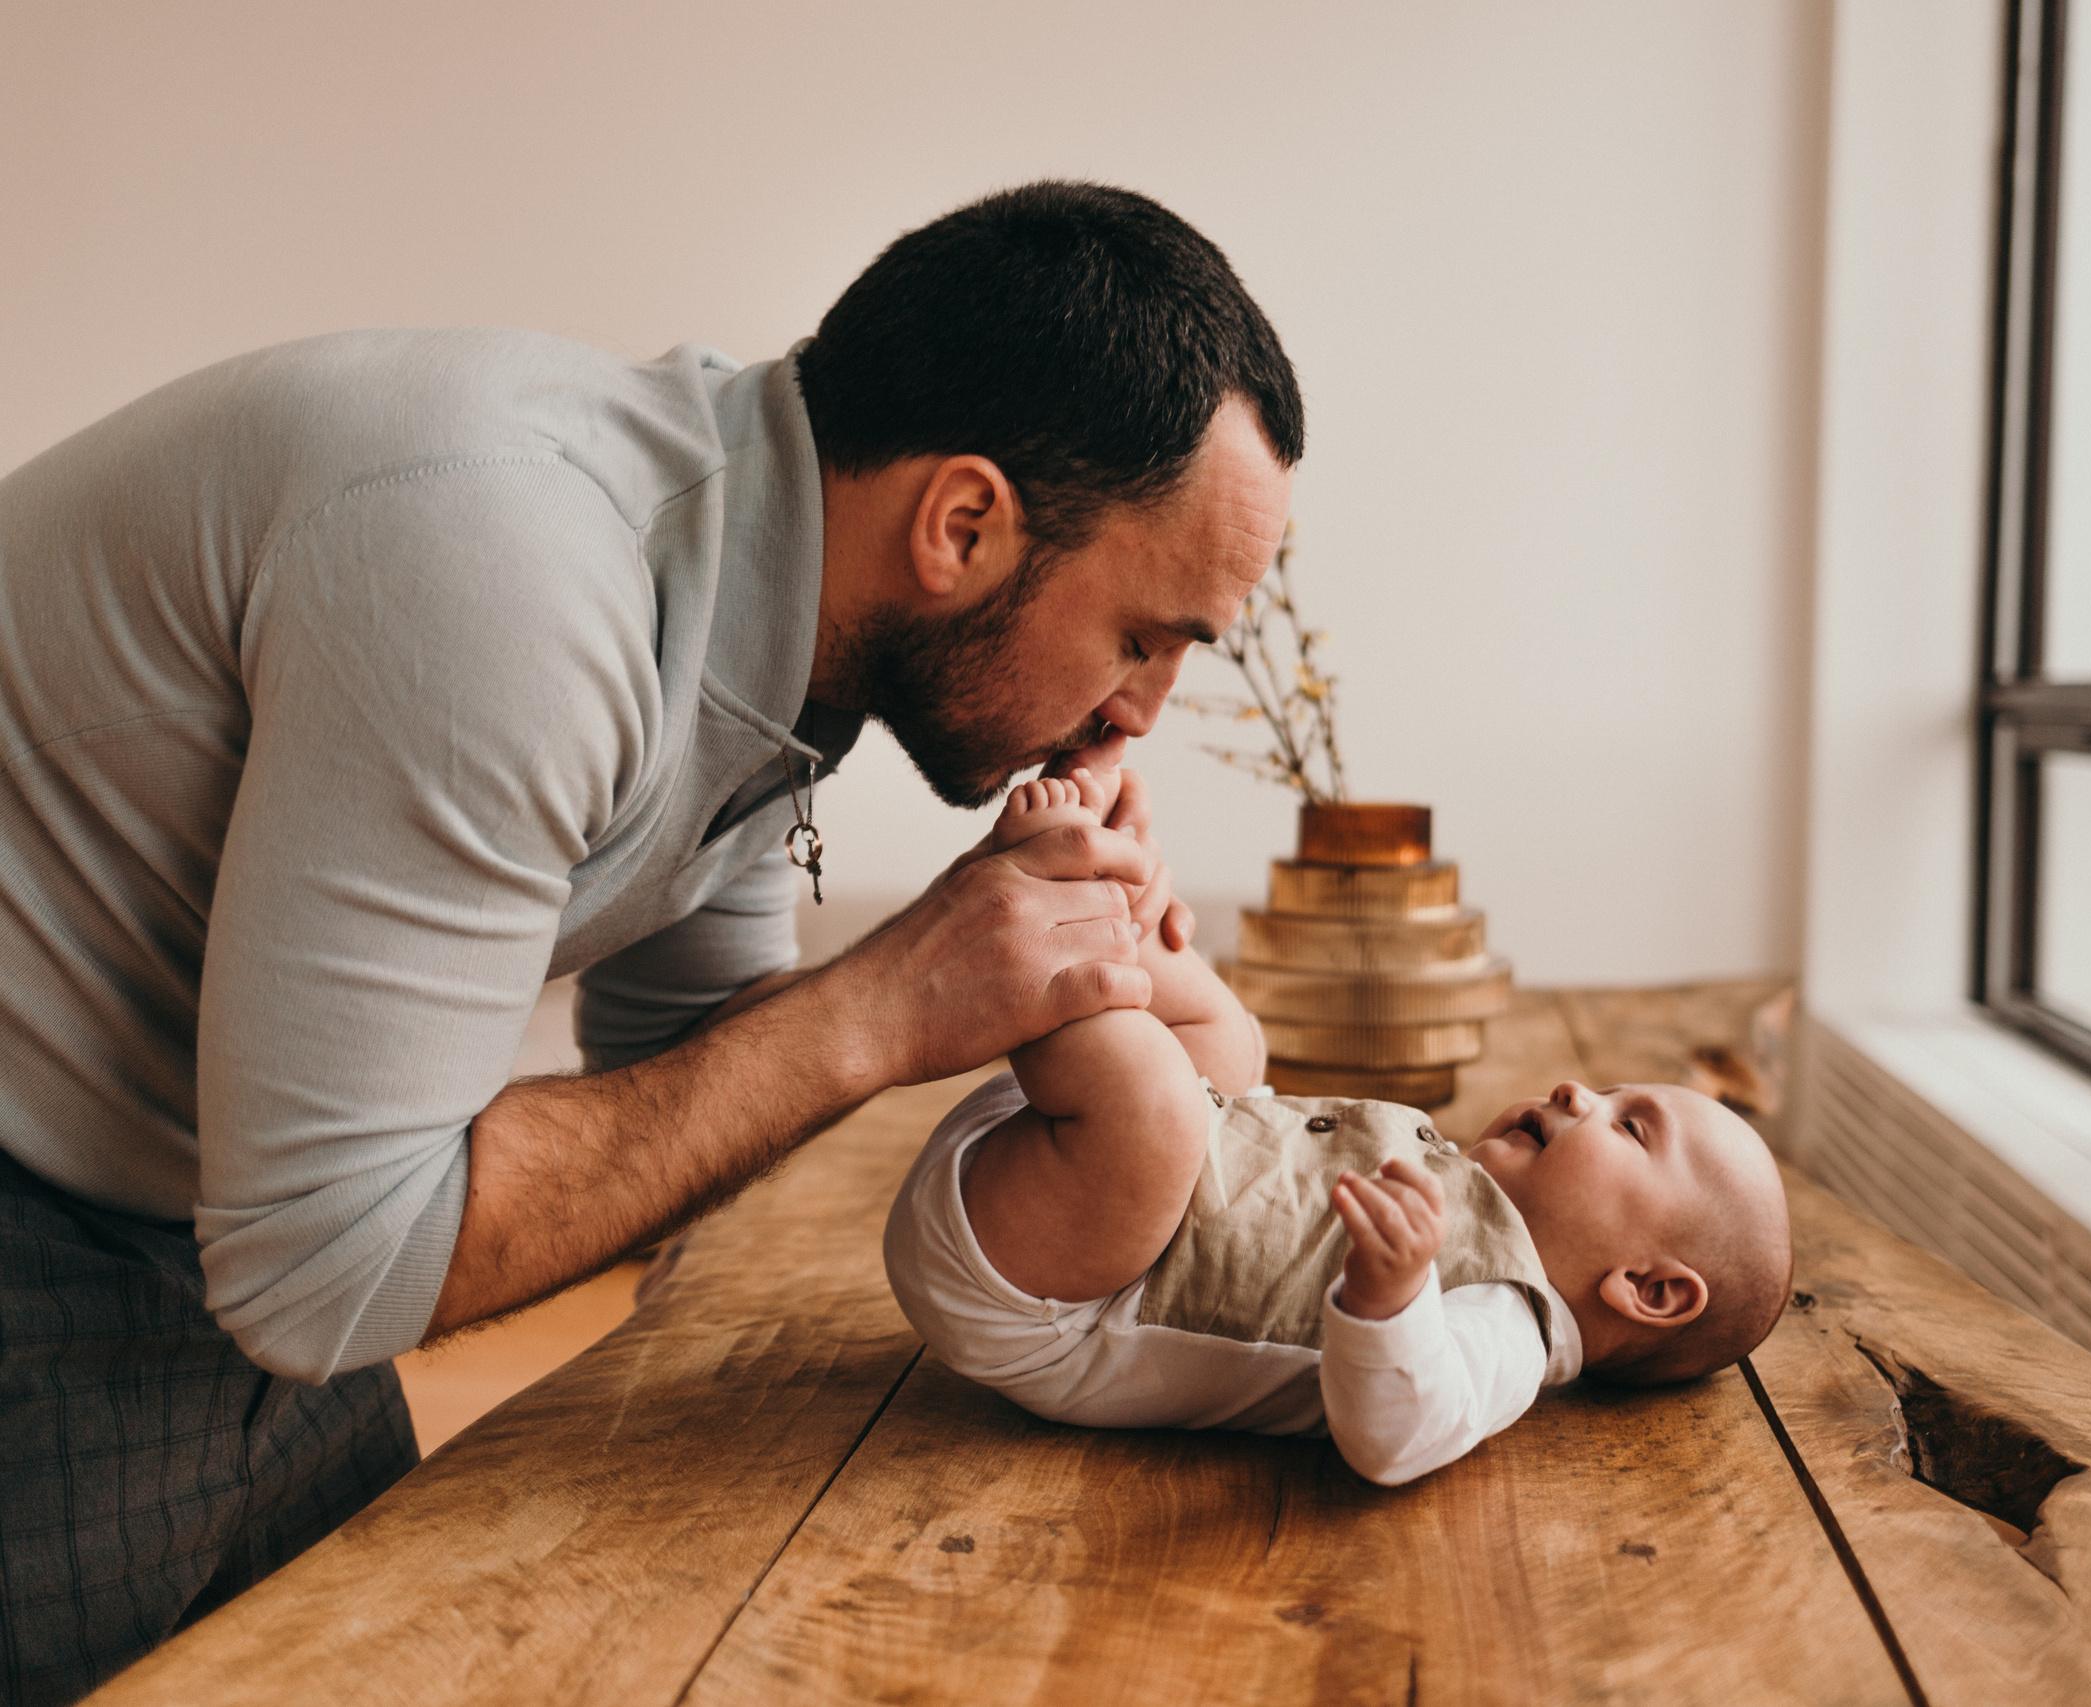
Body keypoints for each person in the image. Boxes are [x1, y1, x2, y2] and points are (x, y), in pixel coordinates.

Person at [0, 181, 1299, 1702]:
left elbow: (688, 1077)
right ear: (961, 522)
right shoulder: (517, 584)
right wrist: (889, 998)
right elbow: (329, 1272)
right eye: (1144, 635)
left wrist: (1080, 993)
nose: (1143, 710)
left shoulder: (775, 607)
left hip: (244, 1211)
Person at [883, 771, 1796, 1486]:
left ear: (1648, 1287)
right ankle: (1095, 904)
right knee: (1233, 1046)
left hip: (1051, 1295)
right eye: (1609, 1087)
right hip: (1061, 1176)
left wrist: (1391, 1299)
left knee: (1161, 1114)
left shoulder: (1511, 1324)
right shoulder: (1465, 1187)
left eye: (1631, 1128)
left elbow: (1401, 1436)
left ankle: (1051, 929)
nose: (1577, 1090)